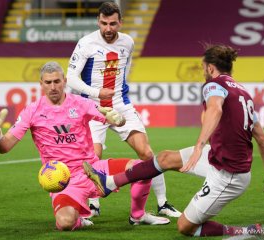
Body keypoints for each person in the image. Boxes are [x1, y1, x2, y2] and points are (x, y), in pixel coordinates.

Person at [83, 44, 264, 237]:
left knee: (186, 227)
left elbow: (216, 108)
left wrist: (199, 145)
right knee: (164, 159)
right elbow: (262, 138)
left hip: (228, 174)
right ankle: (109, 182)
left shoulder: (213, 85)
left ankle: (245, 231)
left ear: (211, 67)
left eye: (203, 67)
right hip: (217, 157)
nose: (203, 71)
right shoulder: (243, 93)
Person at [0, 61, 170, 231]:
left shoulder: (81, 103)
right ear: (41, 84)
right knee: (65, 223)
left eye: (57, 81)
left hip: (93, 169)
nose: (53, 87)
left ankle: (137, 215)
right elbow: (5, 147)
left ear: (65, 81)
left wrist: (119, 120)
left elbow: (108, 117)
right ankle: (80, 218)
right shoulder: (32, 111)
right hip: (63, 180)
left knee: (144, 168)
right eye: (48, 82)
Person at [66, 1, 180, 217]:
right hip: (93, 108)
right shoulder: (86, 43)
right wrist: (97, 92)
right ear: (98, 22)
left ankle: (163, 203)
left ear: (120, 23)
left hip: (121, 105)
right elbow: (70, 77)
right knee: (93, 158)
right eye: (104, 23)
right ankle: (93, 204)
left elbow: (123, 70)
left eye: (113, 24)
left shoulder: (127, 42)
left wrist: (117, 92)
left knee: (146, 153)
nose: (108, 28)